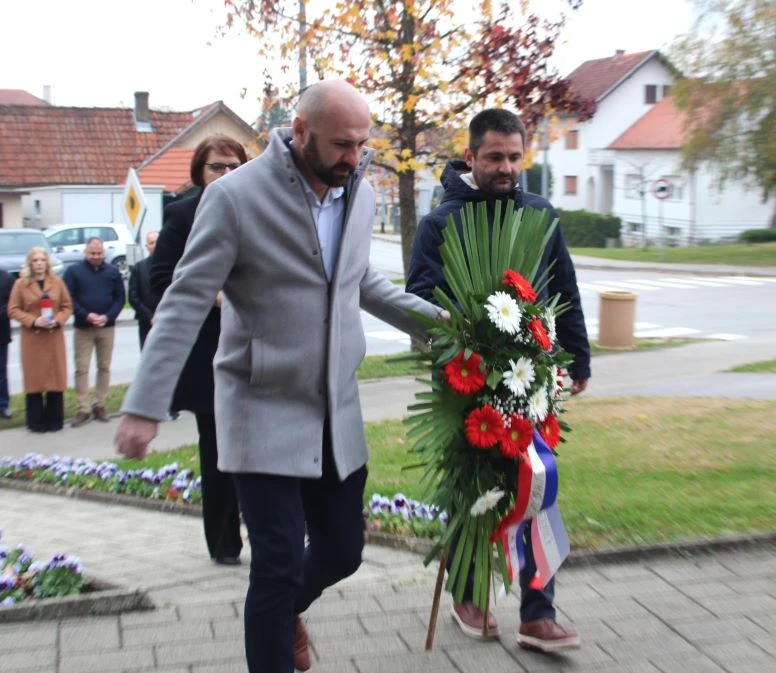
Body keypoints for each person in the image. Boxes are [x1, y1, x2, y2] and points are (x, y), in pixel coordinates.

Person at [115, 79, 446, 673]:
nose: (355, 156)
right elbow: (186, 300)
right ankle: (273, 624)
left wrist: (449, 328)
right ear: (300, 132)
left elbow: (361, 283)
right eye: (342, 144)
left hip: (335, 413)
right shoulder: (236, 198)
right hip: (259, 407)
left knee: (343, 552)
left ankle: (282, 609)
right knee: (275, 566)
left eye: (362, 143)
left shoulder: (359, 194)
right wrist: (144, 404)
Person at [406, 108, 590, 654]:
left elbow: (565, 290)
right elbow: (418, 302)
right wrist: (459, 342)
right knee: (473, 487)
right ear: (471, 157)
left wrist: (577, 359)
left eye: (514, 156)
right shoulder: (441, 222)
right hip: (465, 378)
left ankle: (538, 613)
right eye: (494, 157)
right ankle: (469, 595)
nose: (506, 167)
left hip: (529, 376)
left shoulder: (540, 213)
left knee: (536, 484)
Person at [150, 135, 249, 566]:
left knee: (256, 450)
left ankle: (266, 535)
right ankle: (224, 543)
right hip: (208, 353)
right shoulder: (182, 215)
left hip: (256, 351)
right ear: (199, 172)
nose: (226, 175)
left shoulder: (257, 209)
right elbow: (159, 282)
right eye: (217, 167)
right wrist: (214, 296)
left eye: (233, 166)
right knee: (217, 451)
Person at [7, 247, 73, 432]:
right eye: (35, 260)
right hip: (33, 339)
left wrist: (58, 320)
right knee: (35, 380)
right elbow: (13, 309)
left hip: (53, 338)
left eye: (42, 260)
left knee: (55, 378)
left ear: (47, 262)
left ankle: (55, 420)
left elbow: (67, 306)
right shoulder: (21, 284)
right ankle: (36, 422)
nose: (39, 264)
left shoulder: (57, 282)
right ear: (30, 263)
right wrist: (34, 320)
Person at [64, 237, 126, 427]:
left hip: (107, 327)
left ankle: (99, 404)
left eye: (99, 253)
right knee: (81, 368)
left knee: (104, 367)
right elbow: (69, 298)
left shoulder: (113, 272)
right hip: (84, 327)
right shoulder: (74, 272)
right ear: (85, 253)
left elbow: (120, 298)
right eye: (92, 253)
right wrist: (86, 315)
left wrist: (108, 316)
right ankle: (82, 408)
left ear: (104, 253)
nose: (96, 257)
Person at [127, 231, 160, 349]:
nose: (155, 245)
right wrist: (149, 317)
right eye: (151, 243)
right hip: (146, 322)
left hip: (168, 321)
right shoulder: (139, 268)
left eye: (157, 242)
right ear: (147, 247)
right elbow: (133, 296)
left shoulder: (173, 266)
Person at [1, 268, 16, 419]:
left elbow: (12, 304)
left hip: (1, 332)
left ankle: (3, 405)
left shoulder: (6, 278)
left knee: (1, 373)